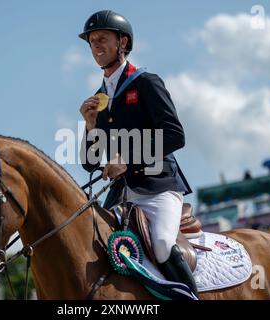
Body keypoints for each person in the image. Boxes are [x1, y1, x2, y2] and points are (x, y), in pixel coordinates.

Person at [78, 10, 198, 295]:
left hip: (159, 187)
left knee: (161, 244)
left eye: (102, 38)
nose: (95, 45)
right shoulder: (99, 97)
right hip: (121, 195)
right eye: (92, 40)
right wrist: (90, 126)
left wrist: (127, 160)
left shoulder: (146, 82)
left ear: (123, 42)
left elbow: (175, 135)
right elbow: (90, 164)